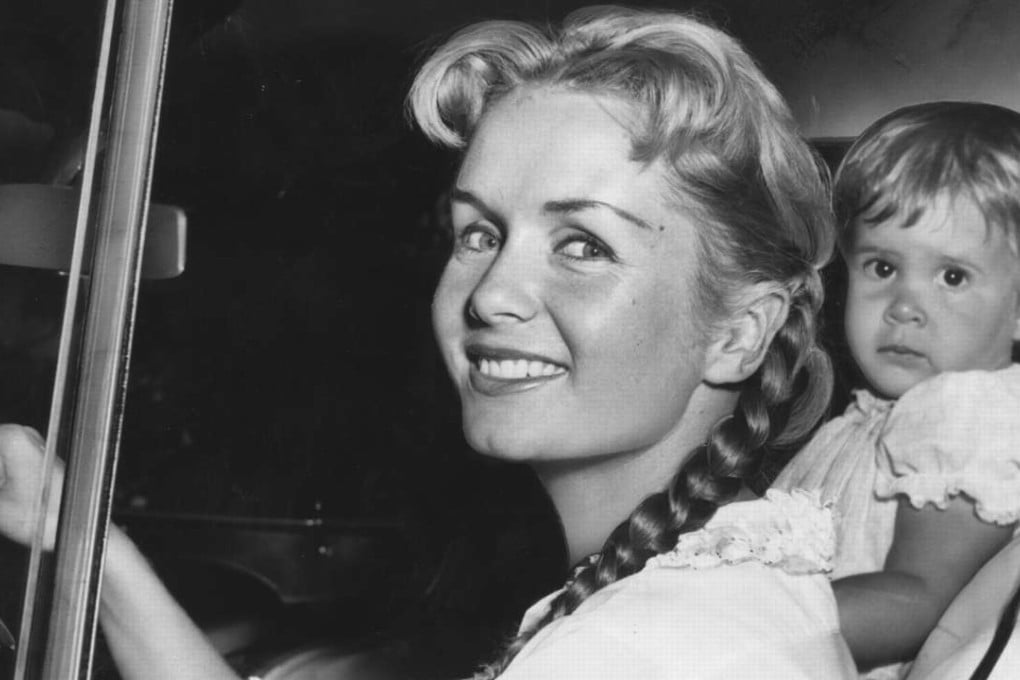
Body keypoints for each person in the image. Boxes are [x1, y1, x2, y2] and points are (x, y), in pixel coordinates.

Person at [0, 6, 856, 679]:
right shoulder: (702, 598)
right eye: (478, 233)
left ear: (741, 333)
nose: (490, 294)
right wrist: (80, 539)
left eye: (583, 246)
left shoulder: (636, 652)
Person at [773, 101, 1020, 680]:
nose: (905, 308)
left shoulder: (964, 414)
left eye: (952, 276)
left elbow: (918, 598)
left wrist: (746, 622)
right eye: (882, 268)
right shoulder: (877, 416)